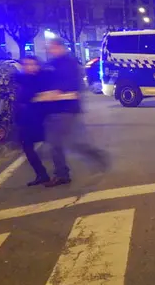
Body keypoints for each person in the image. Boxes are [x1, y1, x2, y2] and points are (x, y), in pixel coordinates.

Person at [34, 38, 109, 187]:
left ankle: (93, 160)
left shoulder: (70, 64)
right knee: (58, 144)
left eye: (53, 47)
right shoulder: (52, 64)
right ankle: (63, 173)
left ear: (60, 47)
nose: (50, 50)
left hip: (67, 109)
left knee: (67, 144)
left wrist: (57, 93)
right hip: (55, 110)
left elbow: (74, 87)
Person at [14, 56, 50, 186]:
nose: (30, 67)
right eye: (27, 65)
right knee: (27, 146)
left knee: (55, 144)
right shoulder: (22, 79)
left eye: (33, 64)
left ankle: (58, 172)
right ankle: (41, 173)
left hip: (38, 118)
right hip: (26, 119)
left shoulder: (40, 80)